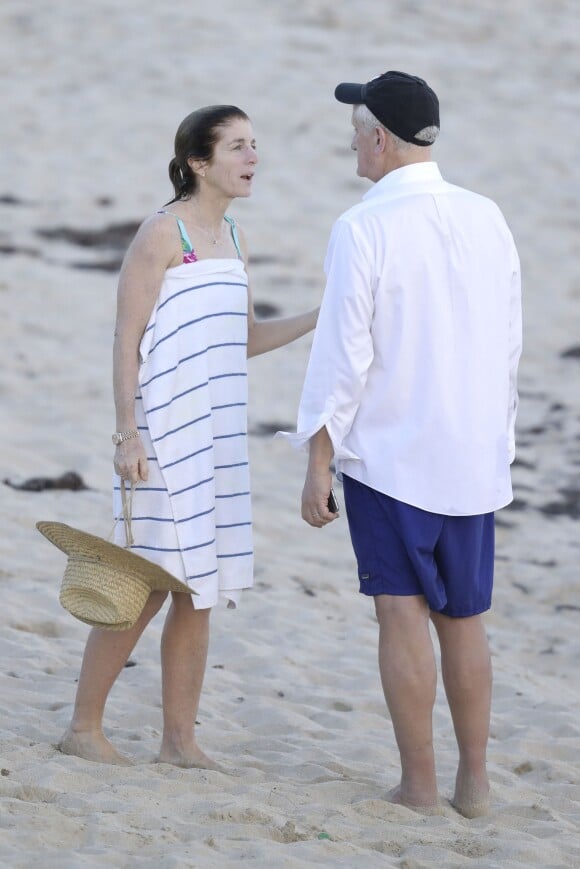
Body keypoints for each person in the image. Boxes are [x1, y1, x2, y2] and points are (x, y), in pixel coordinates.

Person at [280, 71, 522, 817]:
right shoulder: (489, 216)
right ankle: (474, 785)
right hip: (472, 452)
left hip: (391, 454)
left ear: (379, 137)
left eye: (357, 132)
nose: (353, 144)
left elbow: (342, 354)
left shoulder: (363, 225)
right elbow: (509, 340)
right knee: (465, 615)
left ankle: (419, 786)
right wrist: (498, 443)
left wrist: (319, 458)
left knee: (401, 613)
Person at [58, 105, 318, 768]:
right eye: (237, 146)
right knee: (145, 581)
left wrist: (321, 314)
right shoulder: (163, 232)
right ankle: (83, 727)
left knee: (199, 590)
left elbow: (247, 339)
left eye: (254, 145)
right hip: (162, 434)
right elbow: (126, 337)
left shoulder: (232, 234)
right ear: (198, 161)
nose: (252, 157)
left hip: (216, 440)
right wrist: (128, 433)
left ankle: (179, 740)